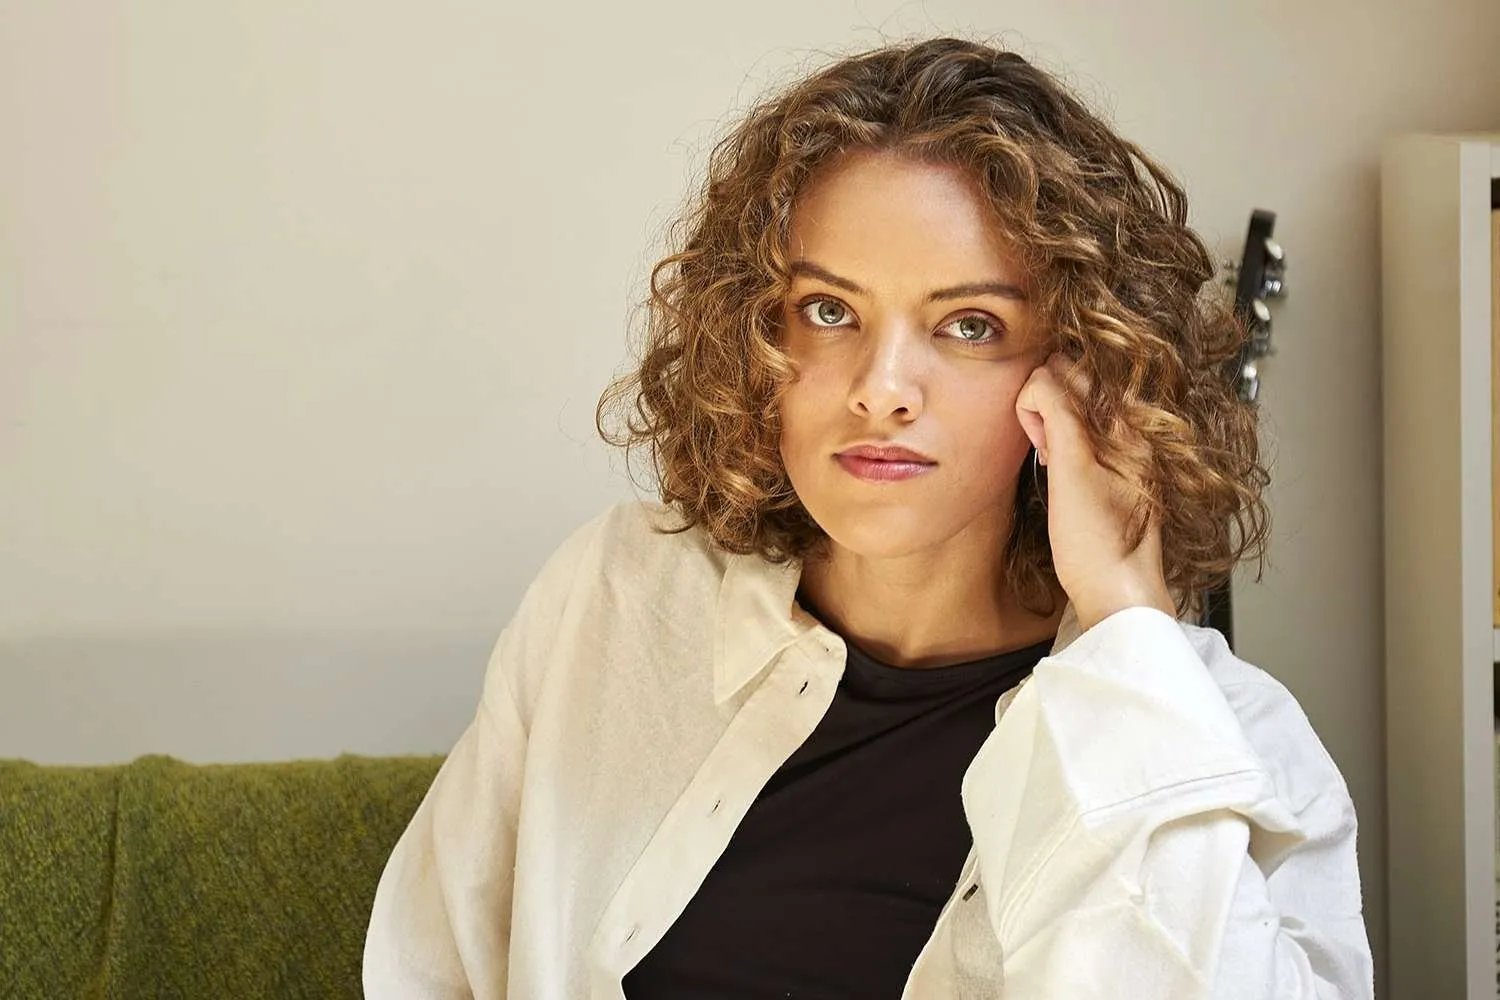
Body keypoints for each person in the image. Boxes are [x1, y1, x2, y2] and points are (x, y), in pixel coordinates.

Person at [362, 35, 1374, 999]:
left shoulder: (1230, 745)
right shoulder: (619, 597)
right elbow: (430, 968)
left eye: (968, 325)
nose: (882, 388)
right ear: (757, 332)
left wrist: (1123, 623)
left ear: (1085, 369)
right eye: (829, 311)